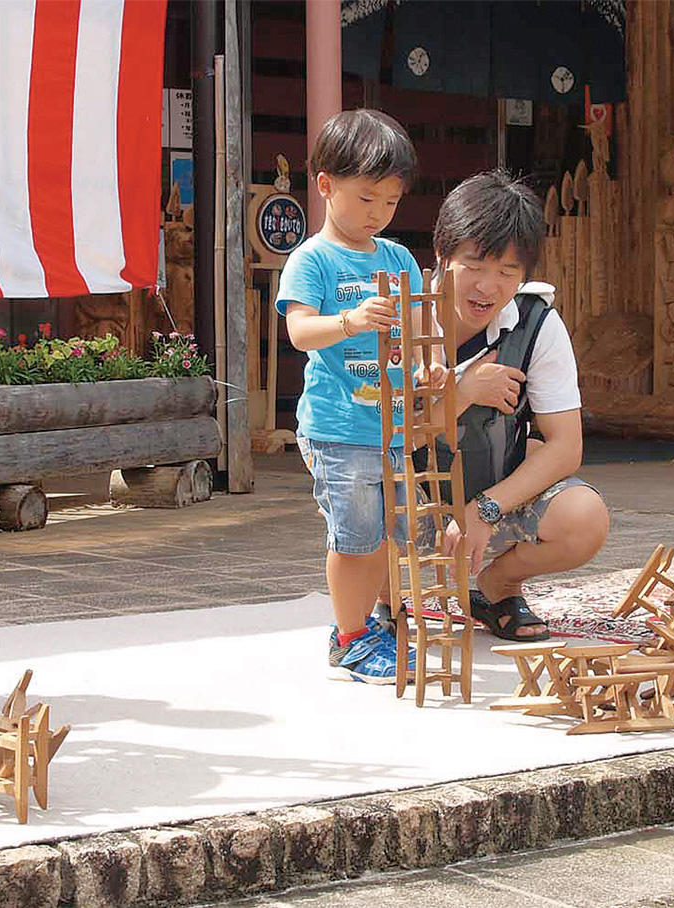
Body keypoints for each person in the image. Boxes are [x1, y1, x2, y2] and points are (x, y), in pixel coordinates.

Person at [278, 108, 440, 684]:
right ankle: (350, 638)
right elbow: (299, 332)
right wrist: (350, 320)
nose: (378, 212)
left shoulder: (398, 259)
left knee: (400, 530)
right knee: (357, 538)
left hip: (391, 428)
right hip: (338, 427)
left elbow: (421, 330)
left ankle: (380, 622)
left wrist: (431, 365)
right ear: (326, 185)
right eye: (367, 198)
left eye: (390, 201)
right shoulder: (312, 259)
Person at [433, 170, 609, 640]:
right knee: (359, 495)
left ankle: (501, 585)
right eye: (475, 264)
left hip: (496, 495)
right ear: (442, 255)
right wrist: (463, 392)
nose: (488, 287)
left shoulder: (538, 324)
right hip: (411, 500)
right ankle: (379, 605)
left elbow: (565, 447)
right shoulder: (400, 314)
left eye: (507, 272)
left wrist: (485, 509)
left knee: (584, 517)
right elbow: (376, 431)